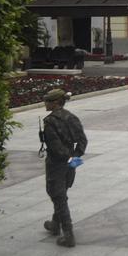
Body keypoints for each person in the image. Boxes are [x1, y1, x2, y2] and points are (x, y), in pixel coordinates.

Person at [40, 88, 88, 247]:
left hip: (56, 163)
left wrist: (66, 158)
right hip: (71, 162)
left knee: (57, 195)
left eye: (47, 101)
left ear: (55, 103)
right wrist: (74, 157)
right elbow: (83, 141)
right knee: (61, 193)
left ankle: (68, 234)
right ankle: (55, 223)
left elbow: (54, 147)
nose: (45, 103)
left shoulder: (50, 121)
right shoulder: (72, 117)